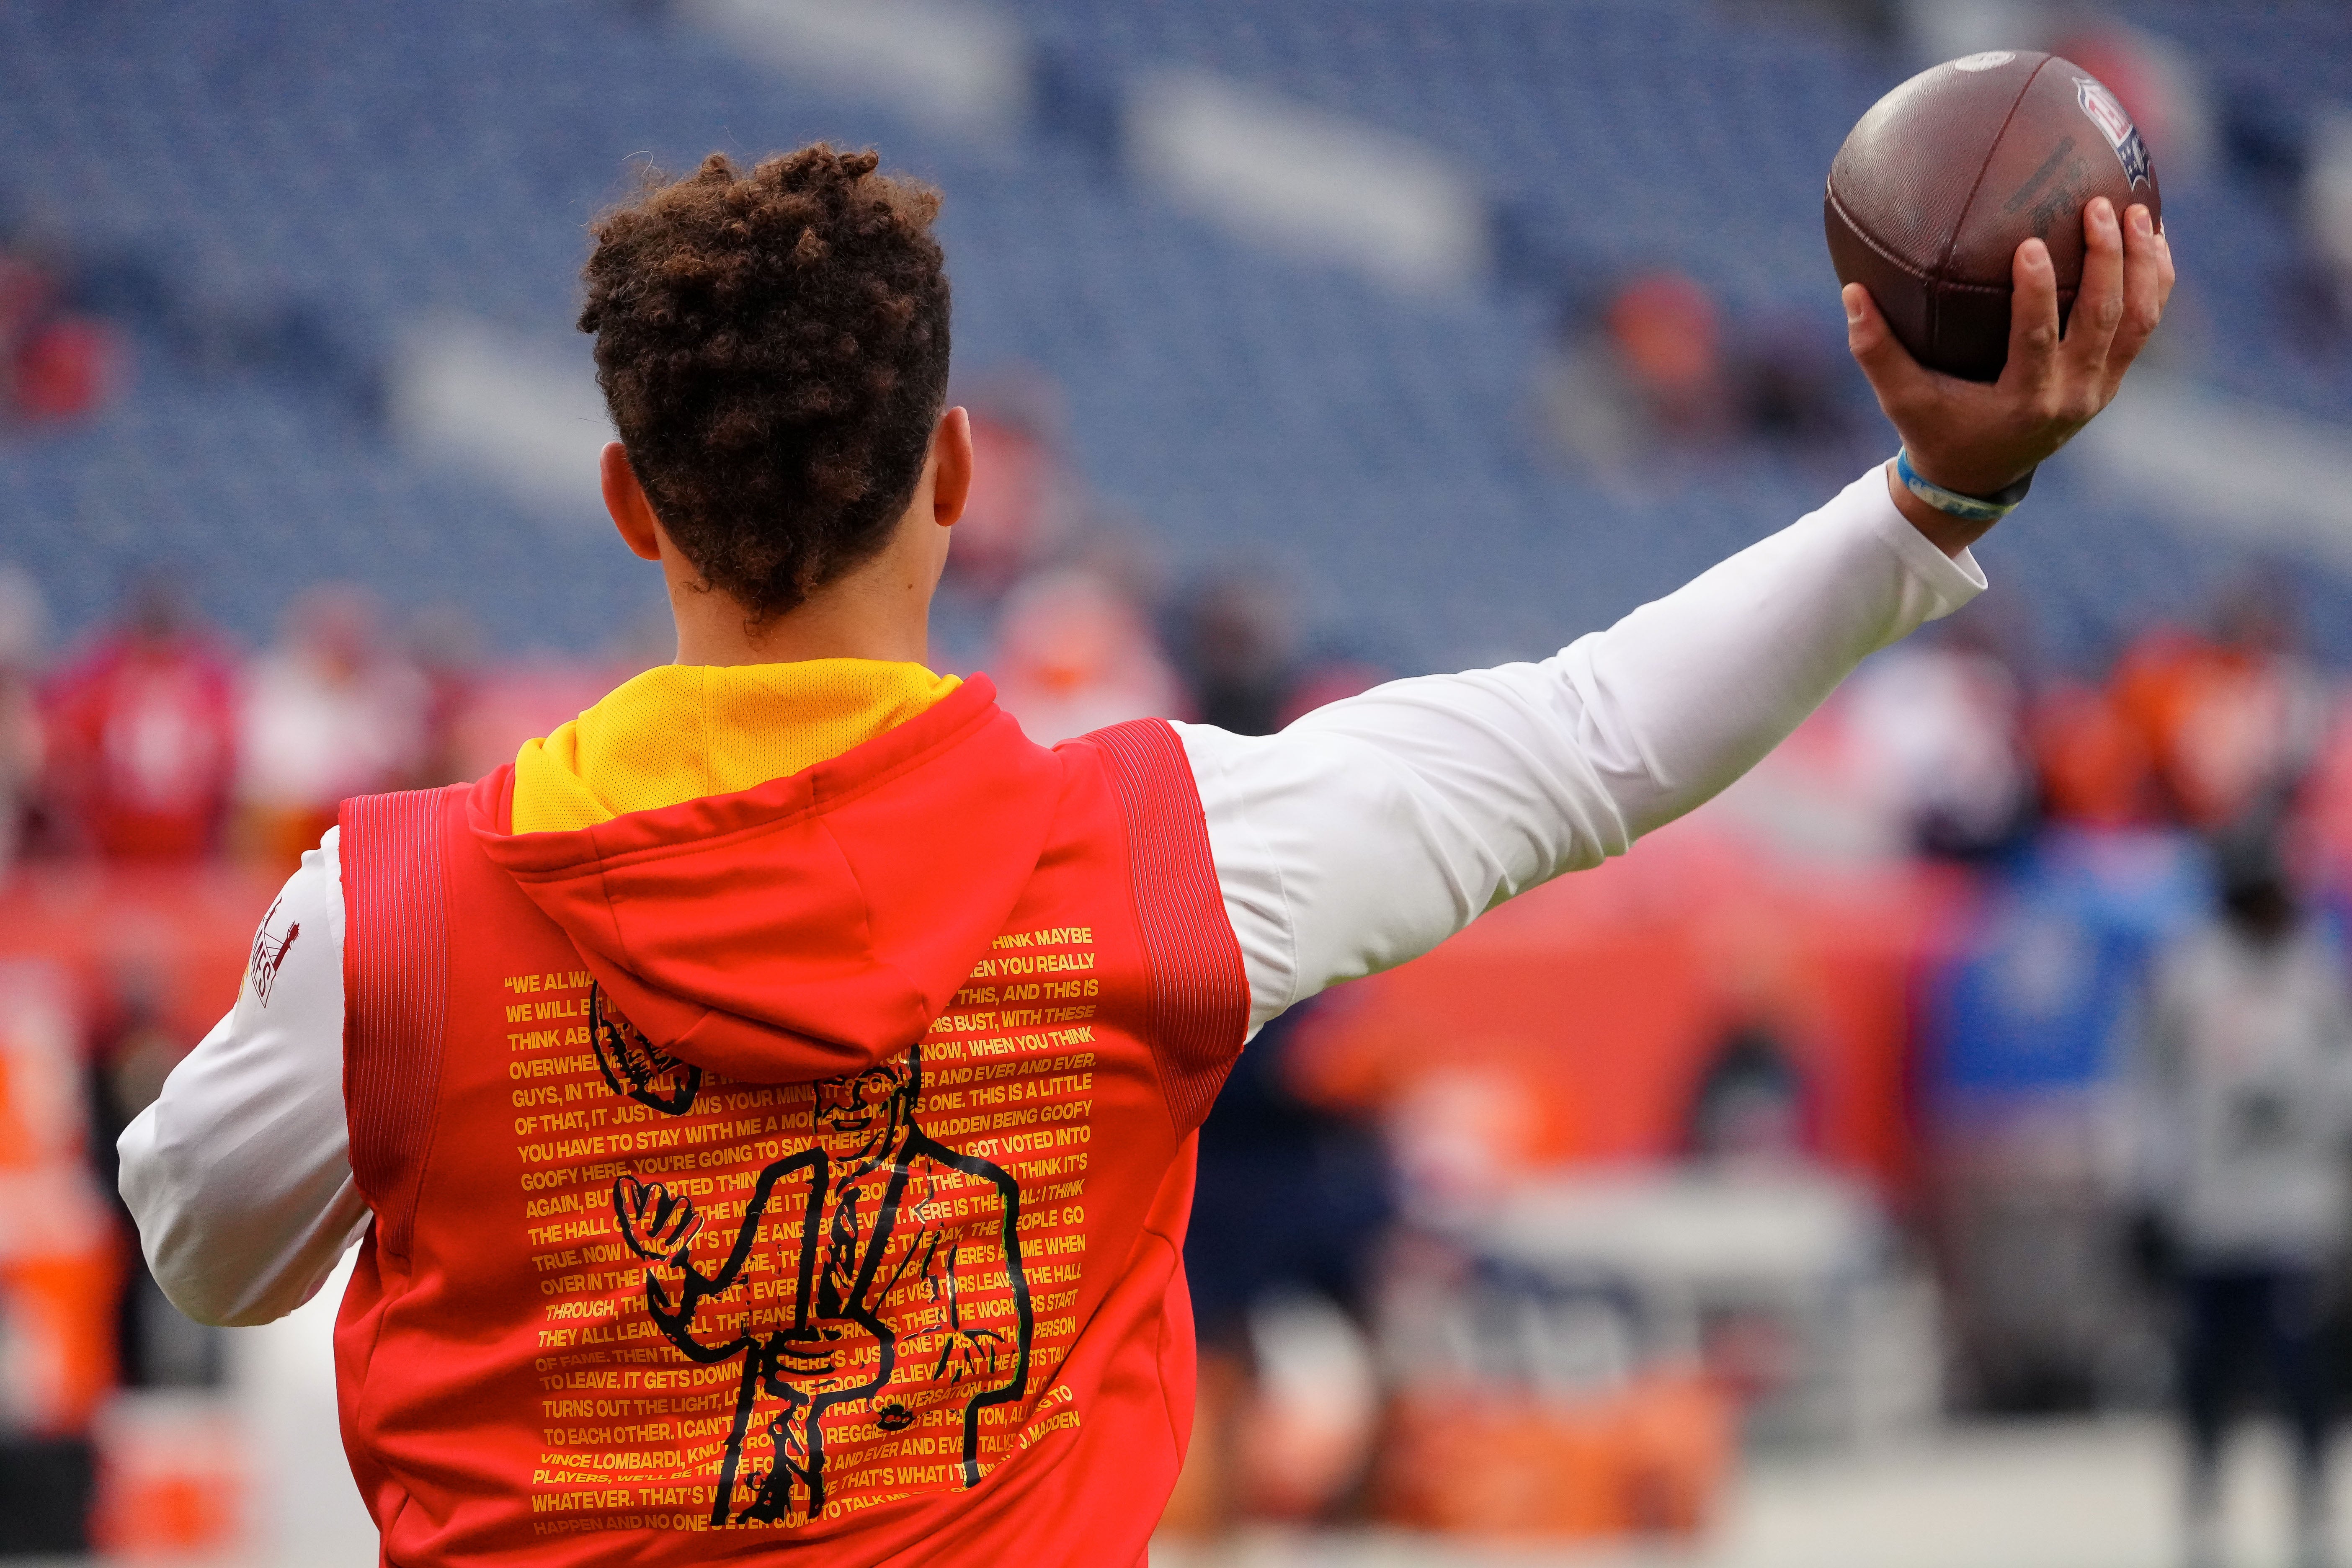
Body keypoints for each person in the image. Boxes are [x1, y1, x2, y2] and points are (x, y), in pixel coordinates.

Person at [117, 145, 2171, 1565]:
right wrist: (1929, 498)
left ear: (627, 505)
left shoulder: (382, 916)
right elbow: (1596, 736)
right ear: (952, 475)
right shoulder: (1162, 849)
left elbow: (206, 1241)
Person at [2128, 824, 2352, 1568]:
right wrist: (2148, 1191)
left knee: (2300, 1368)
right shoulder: (2188, 974)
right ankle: (2204, 1500)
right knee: (2207, 1370)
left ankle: (2313, 1503)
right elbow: (2146, 1085)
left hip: (2295, 1205)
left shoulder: (2315, 972)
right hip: (2210, 1209)